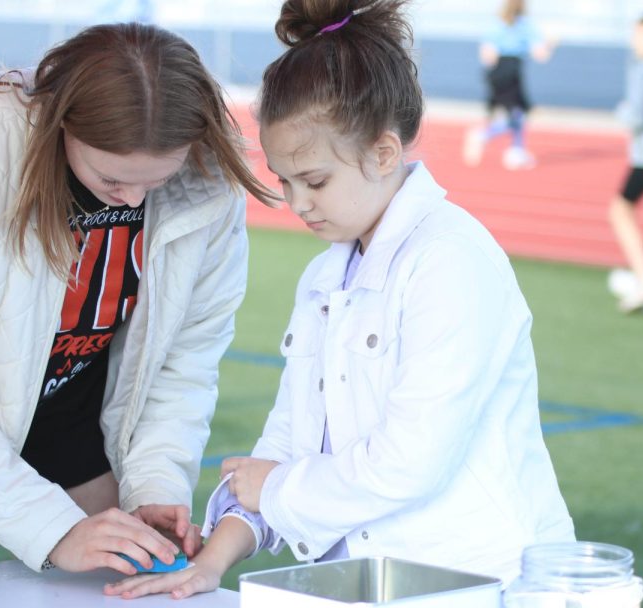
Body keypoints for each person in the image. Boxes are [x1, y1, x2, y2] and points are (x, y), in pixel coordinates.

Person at [104, 0, 575, 599]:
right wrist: (211, 560)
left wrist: (273, 488)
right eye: (284, 181)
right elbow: (286, 443)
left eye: (316, 180)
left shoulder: (451, 260)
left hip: (486, 585)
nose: (298, 204)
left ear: (383, 153)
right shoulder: (325, 277)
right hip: (372, 583)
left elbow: (406, 463)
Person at [0, 22, 277, 576]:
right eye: (114, 181)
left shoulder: (208, 179)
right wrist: (53, 528)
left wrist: (158, 483)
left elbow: (182, 364)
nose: (134, 199)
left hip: (84, 435)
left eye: (158, 181)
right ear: (61, 123)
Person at [607, 12, 643, 315]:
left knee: (619, 211)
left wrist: (623, 111)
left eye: (640, 35)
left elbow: (638, 117)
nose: (635, 42)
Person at [462, 0, 555, 170]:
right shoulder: (526, 26)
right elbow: (541, 55)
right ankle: (485, 136)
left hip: (496, 73)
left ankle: (516, 151)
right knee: (517, 115)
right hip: (512, 71)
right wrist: (550, 43)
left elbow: (486, 57)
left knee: (516, 113)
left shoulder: (496, 25)